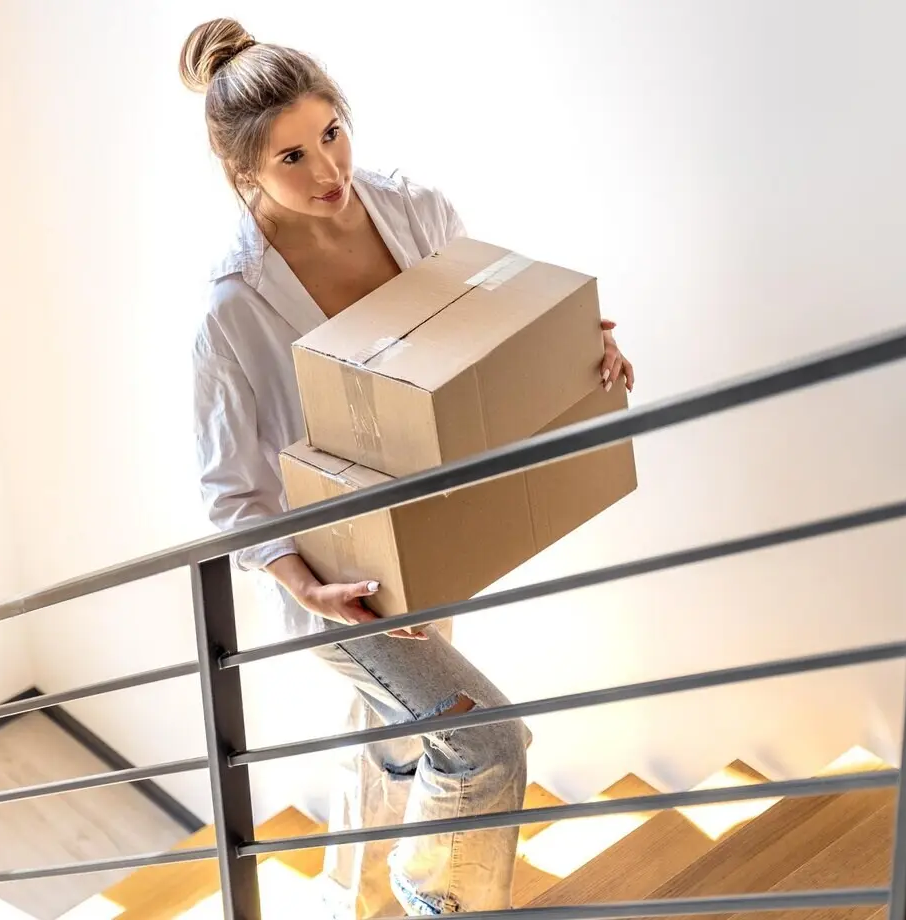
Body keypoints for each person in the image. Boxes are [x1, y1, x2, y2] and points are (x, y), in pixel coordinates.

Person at [181, 17, 635, 916]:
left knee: (395, 741)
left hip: (430, 540)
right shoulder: (231, 311)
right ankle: (436, 899)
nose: (329, 170)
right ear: (243, 173)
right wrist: (306, 588)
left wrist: (579, 349)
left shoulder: (415, 210)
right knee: (483, 745)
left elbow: (483, 341)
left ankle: (351, 894)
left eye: (332, 133)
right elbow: (230, 493)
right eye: (292, 158)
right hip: (339, 580)